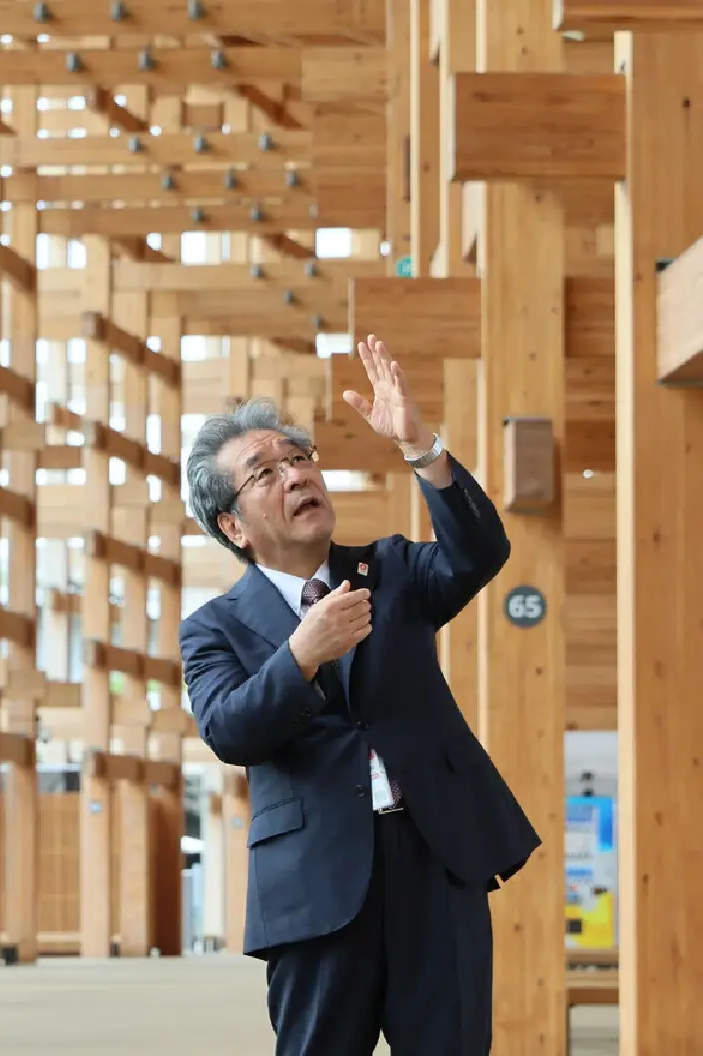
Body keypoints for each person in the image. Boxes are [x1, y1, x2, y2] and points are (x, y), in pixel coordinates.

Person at [178, 336, 539, 1055]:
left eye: (299, 460)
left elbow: (480, 553)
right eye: (266, 472)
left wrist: (422, 449)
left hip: (437, 859)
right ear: (233, 525)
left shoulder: (393, 570)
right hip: (316, 888)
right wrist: (301, 655)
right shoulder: (212, 629)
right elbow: (229, 731)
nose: (295, 475)